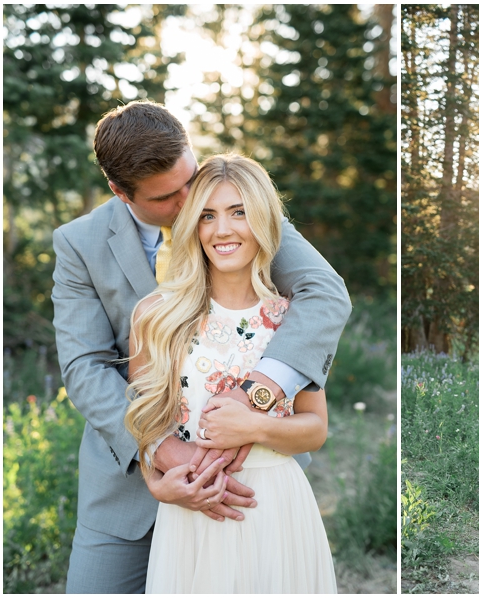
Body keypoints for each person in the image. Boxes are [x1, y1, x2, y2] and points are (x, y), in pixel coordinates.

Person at [52, 101, 351, 593]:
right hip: (128, 484)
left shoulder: (234, 207)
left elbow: (326, 293)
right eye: (171, 196)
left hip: (250, 485)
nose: (193, 200)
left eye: (190, 176)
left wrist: (253, 396)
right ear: (121, 193)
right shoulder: (79, 244)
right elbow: (85, 367)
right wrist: (162, 452)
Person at [125, 153, 337, 593]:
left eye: (238, 212)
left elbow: (315, 429)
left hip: (274, 506)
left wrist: (254, 425)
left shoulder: (290, 320)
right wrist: (158, 484)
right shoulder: (156, 317)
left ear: (262, 217)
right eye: (207, 216)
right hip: (190, 515)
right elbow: (146, 425)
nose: (223, 229)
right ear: (193, 228)